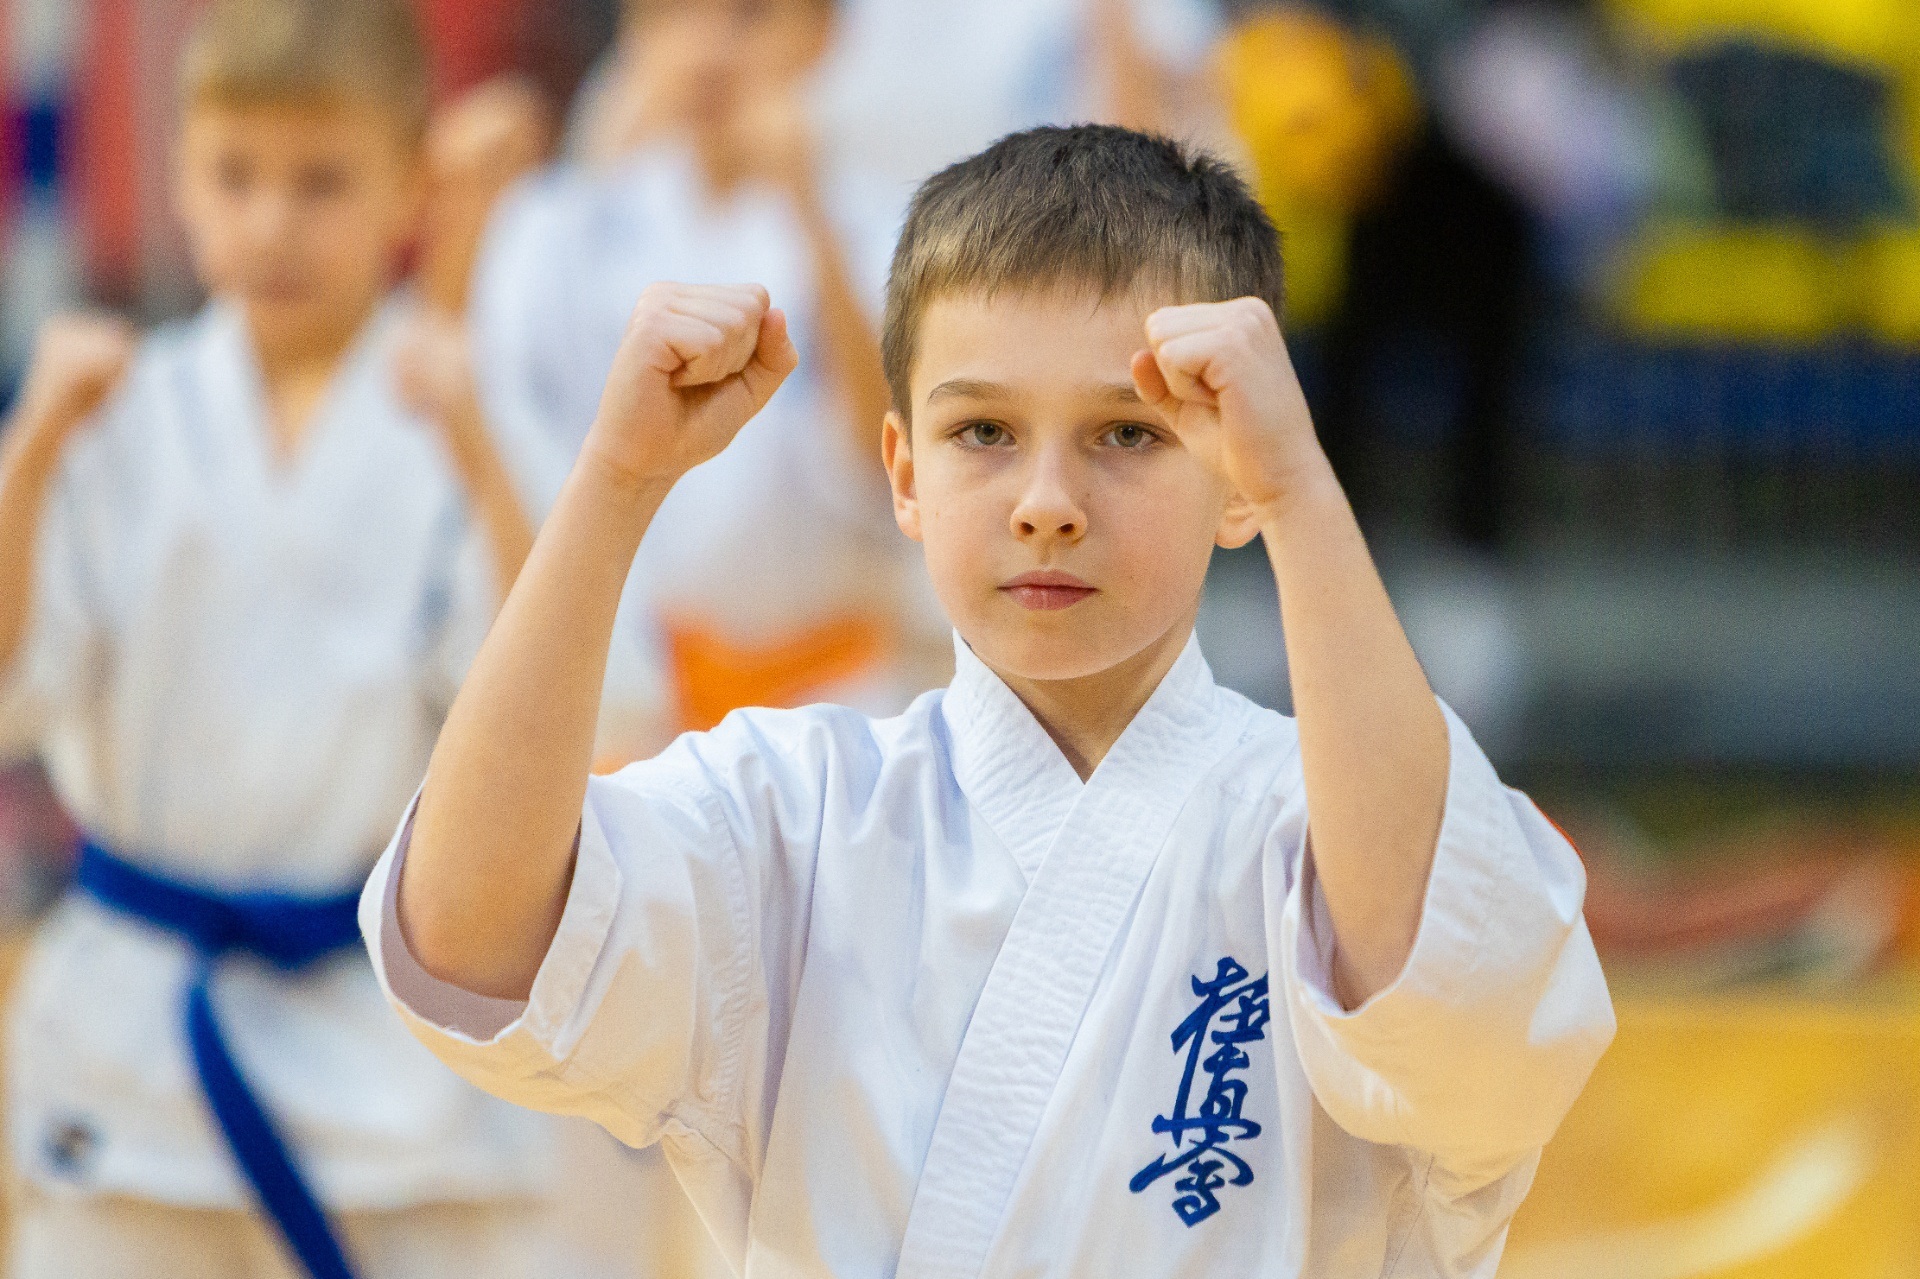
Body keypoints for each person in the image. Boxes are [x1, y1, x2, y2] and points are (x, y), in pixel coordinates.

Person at [367, 125, 1616, 1276]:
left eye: (1127, 434)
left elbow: (1455, 1011)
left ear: (1237, 473)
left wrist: (1301, 495)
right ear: (904, 473)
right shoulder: (794, 812)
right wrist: (616, 479)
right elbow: (471, 934)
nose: (1047, 503)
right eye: (983, 434)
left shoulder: (1315, 825)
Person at [0, 1, 548, 1275]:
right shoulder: (115, 413)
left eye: (320, 182)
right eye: (234, 175)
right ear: (179, 180)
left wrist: (483, 456)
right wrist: (29, 448)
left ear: (409, 191)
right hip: (131, 1037)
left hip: (390, 1049)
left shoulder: (461, 414)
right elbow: (14, 689)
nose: (271, 223)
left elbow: (531, 731)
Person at [457, 0, 930, 762]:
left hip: (842, 700)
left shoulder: (890, 227)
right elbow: (513, 442)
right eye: (674, 15)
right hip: (647, 704)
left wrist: (808, 211)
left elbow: (894, 470)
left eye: (749, 16)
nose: (708, 51)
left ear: (822, 33)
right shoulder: (571, 225)